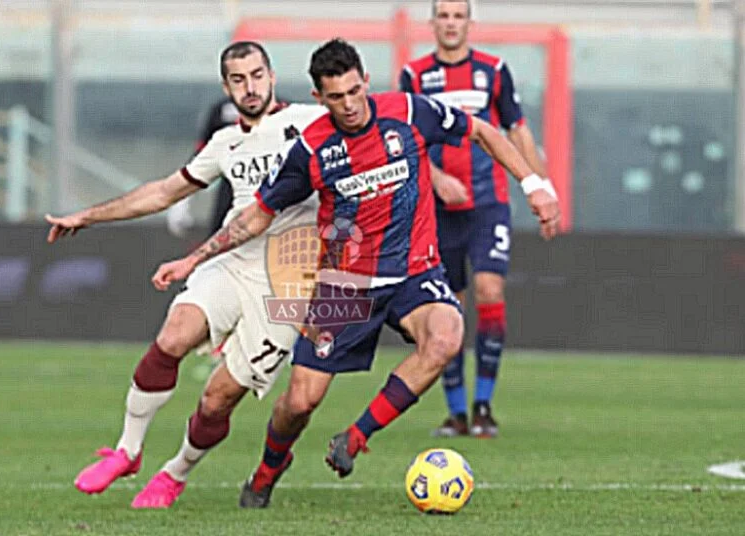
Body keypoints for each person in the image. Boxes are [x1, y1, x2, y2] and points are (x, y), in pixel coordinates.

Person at [152, 38, 559, 509]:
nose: (349, 105)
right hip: (344, 285)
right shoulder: (311, 149)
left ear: (365, 81)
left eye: (354, 91)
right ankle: (267, 470)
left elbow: (484, 132)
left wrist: (534, 186)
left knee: (446, 336)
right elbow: (256, 215)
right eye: (336, 96)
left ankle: (356, 437)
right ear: (319, 97)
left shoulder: (408, 111)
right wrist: (194, 259)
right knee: (300, 402)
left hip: (413, 272)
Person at [44, 41, 327, 508]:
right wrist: (88, 216)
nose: (250, 87)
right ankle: (127, 451)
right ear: (225, 86)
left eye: (257, 75)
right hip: (231, 260)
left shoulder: (312, 123)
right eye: (239, 79)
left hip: (287, 285)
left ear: (272, 75)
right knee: (174, 336)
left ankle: (174, 473)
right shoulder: (224, 143)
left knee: (218, 399)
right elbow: (162, 193)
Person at [399, 0, 554, 438]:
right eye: (443, 16)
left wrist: (544, 189)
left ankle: (483, 405)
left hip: (489, 203)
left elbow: (517, 130)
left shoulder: (494, 70)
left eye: (457, 16)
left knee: (489, 288)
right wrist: (437, 177)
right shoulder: (414, 76)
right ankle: (456, 413)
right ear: (433, 24)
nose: (450, 24)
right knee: (449, 309)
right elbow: (406, 141)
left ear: (469, 23)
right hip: (439, 211)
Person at [166, 96, 237, 238]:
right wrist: (182, 198)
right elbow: (202, 156)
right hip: (231, 188)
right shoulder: (222, 111)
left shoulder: (285, 112)